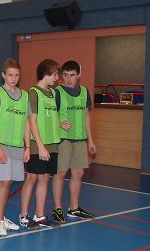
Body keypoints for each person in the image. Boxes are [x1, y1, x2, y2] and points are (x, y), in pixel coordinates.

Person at [51, 61, 97, 223]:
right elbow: (48, 116)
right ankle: (57, 209)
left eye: (72, 75)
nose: (68, 79)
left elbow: (86, 116)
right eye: (65, 75)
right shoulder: (56, 92)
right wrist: (59, 123)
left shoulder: (84, 92)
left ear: (78, 76)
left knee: (78, 173)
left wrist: (90, 140)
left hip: (80, 138)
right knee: (61, 173)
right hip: (63, 139)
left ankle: (74, 208)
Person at [18, 59, 61, 228]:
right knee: (32, 178)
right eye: (55, 74)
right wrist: (41, 146)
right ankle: (23, 215)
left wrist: (60, 124)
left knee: (44, 179)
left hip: (53, 142)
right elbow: (32, 122)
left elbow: (49, 117)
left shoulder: (53, 93)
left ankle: (40, 216)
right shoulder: (33, 93)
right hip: (38, 144)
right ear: (45, 74)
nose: (57, 78)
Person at [0, 58, 29, 237]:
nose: (14, 78)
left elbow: (27, 122)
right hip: (3, 145)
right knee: (4, 182)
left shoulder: (24, 95)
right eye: (10, 75)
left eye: (17, 75)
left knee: (10, 182)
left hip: (18, 146)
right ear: (3, 75)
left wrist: (27, 146)